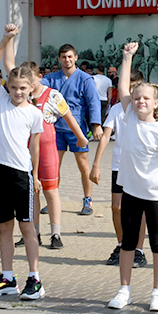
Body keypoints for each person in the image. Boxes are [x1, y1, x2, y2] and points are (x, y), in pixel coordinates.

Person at [107, 43, 158, 312]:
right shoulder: (128, 116)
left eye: (146, 99)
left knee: (157, 243)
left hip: (155, 195)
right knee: (128, 243)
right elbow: (122, 88)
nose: (140, 101)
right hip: (131, 192)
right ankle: (124, 289)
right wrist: (127, 56)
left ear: (156, 104)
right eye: (136, 97)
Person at [0, 24, 45, 300]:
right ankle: (7, 278)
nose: (17, 92)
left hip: (22, 175)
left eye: (22, 88)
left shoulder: (33, 114)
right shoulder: (1, 98)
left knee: (26, 227)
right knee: (4, 226)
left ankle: (35, 278)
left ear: (31, 87)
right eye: (14, 87)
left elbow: (35, 147)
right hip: (0, 171)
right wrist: (6, 37)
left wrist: (37, 176)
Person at [3, 48, 89, 250]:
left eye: (30, 81)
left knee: (51, 192)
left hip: (48, 149)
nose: (27, 85)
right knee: (30, 193)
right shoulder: (20, 97)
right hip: (25, 151)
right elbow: (8, 65)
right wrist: (8, 41)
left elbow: (69, 117)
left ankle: (56, 234)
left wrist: (81, 138)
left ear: (38, 78)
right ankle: (33, 233)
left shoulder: (52, 95)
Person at [90, 68, 149, 269]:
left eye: (135, 87)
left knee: (139, 210)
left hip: (139, 167)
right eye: (129, 87)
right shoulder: (116, 109)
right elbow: (106, 135)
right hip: (119, 166)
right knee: (117, 207)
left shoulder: (144, 111)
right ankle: (123, 244)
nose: (132, 91)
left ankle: (138, 250)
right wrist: (96, 164)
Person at [42, 44, 103, 215]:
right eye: (63, 57)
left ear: (75, 57)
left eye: (70, 56)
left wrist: (96, 125)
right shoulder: (51, 78)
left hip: (77, 130)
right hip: (56, 128)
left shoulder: (85, 79)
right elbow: (37, 87)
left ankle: (88, 200)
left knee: (83, 165)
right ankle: (52, 200)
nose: (67, 60)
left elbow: (93, 103)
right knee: (54, 166)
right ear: (59, 59)